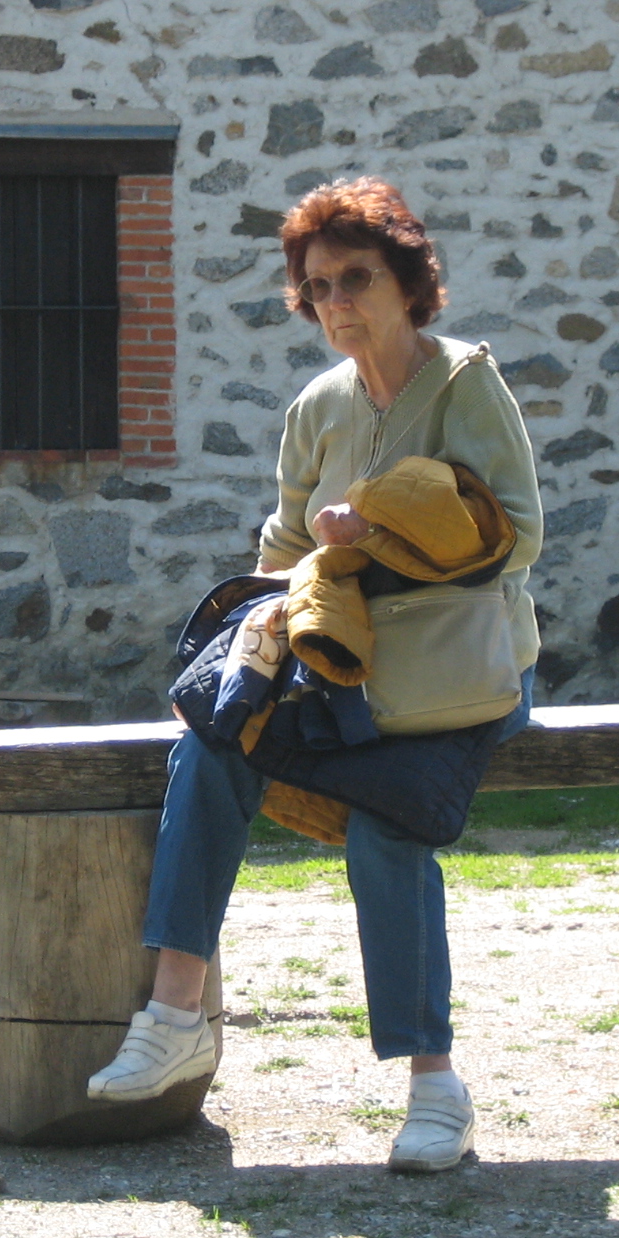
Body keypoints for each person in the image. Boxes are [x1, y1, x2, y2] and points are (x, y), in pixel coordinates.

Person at [86, 177, 545, 1173]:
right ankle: (173, 1016)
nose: (336, 301)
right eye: (318, 285)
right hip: (346, 677)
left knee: (388, 822)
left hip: (464, 678)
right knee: (208, 748)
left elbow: (518, 536)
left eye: (356, 278)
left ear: (407, 283)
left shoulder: (464, 385)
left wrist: (378, 533)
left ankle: (436, 1089)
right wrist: (288, 595)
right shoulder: (317, 407)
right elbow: (283, 550)